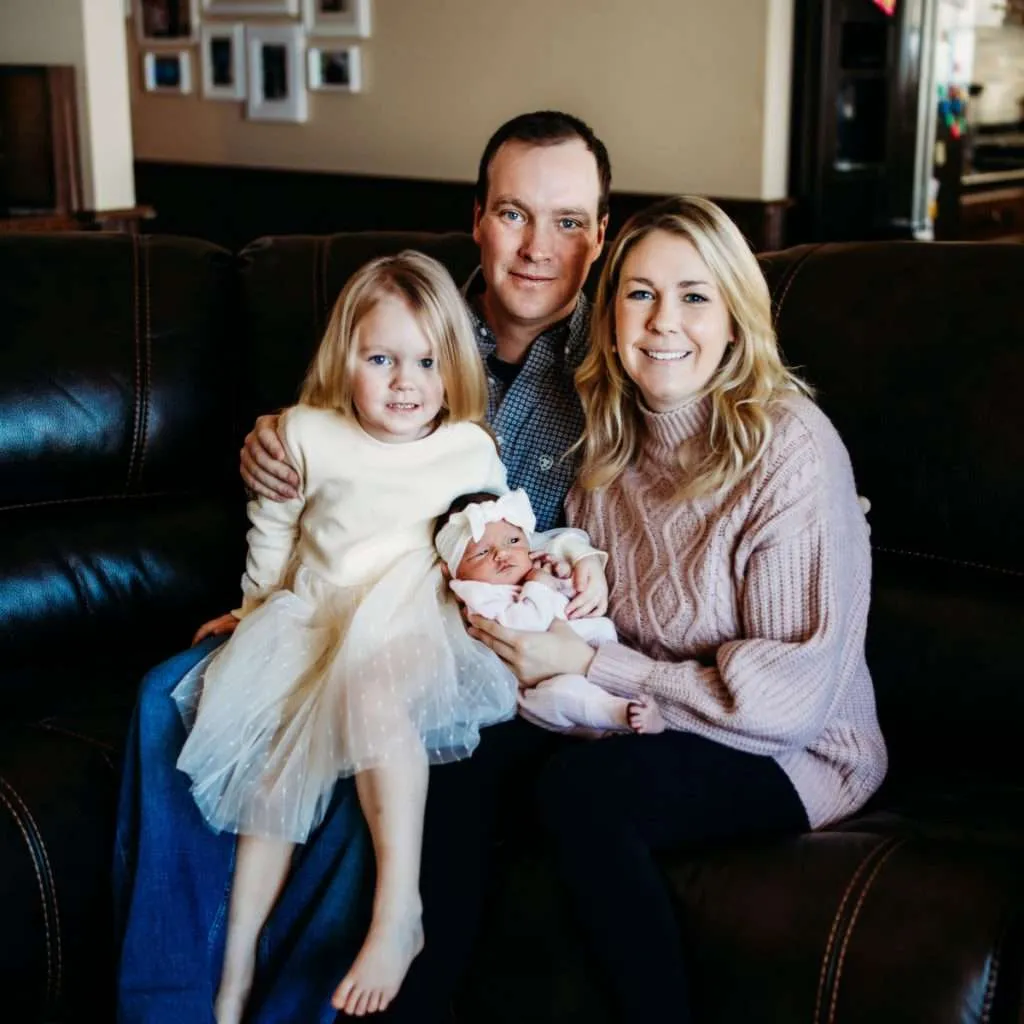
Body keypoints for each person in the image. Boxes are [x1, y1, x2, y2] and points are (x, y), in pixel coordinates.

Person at [115, 110, 611, 1024]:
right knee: (163, 699)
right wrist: (273, 449)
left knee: (364, 740)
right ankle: (173, 1005)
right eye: (514, 214)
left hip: (471, 634)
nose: (540, 247)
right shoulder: (416, 315)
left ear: (601, 234)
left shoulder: (613, 360)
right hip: (322, 602)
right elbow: (322, 430)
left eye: (569, 221)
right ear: (477, 218)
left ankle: (300, 1007)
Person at [466, 195, 889, 1023]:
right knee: (455, 756)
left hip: (793, 748)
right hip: (644, 711)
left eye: (695, 295)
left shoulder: (789, 447)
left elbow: (784, 703)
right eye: (640, 294)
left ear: (735, 318)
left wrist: (590, 663)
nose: (665, 322)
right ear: (611, 315)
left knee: (584, 798)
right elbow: (593, 602)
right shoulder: (610, 437)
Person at [167, 249, 518, 1022]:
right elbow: (274, 527)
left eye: (426, 361)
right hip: (315, 616)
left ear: (453, 366)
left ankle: (399, 912)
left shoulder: (469, 450)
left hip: (407, 621)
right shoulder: (303, 434)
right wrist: (254, 606)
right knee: (270, 787)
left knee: (376, 697)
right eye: (381, 358)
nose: (405, 382)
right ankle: (232, 977)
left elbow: (502, 534)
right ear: (344, 359)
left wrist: (556, 568)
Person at [435, 488, 664, 735]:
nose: (503, 554)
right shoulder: (478, 595)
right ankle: (622, 714)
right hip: (539, 688)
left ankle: (631, 693)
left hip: (578, 652)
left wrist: (562, 578)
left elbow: (564, 605)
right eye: (482, 552)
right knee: (566, 690)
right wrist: (540, 584)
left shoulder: (533, 566)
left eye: (513, 541)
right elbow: (526, 626)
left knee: (602, 626)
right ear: (454, 570)